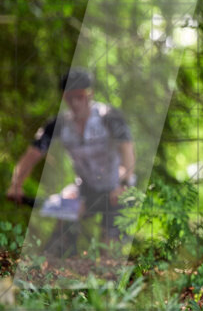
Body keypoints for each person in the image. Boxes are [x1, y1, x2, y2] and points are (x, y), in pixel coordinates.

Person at [6, 69, 136, 254]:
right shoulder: (59, 125)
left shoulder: (108, 116)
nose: (75, 102)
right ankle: (54, 261)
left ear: (89, 94)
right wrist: (16, 184)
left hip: (116, 188)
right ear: (64, 98)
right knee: (64, 216)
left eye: (80, 96)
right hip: (86, 188)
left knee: (109, 250)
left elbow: (127, 149)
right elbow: (33, 154)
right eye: (70, 98)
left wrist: (124, 183)